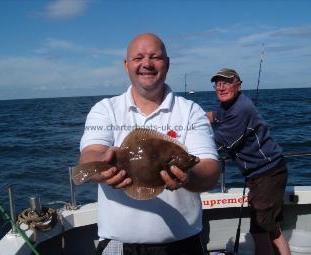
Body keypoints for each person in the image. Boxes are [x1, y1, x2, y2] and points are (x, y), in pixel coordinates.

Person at [78, 33, 221, 255]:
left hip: (183, 245)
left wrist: (189, 177)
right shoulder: (105, 109)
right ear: (126, 65)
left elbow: (210, 169)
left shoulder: (191, 111)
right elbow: (89, 155)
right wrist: (103, 167)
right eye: (138, 58)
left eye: (155, 57)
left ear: (168, 63)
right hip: (119, 245)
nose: (147, 64)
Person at [207, 68, 291, 255]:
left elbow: (219, 143)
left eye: (227, 83)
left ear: (238, 84)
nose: (221, 88)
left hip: (267, 175)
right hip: (266, 173)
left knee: (260, 231)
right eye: (218, 84)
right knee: (272, 229)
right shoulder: (228, 105)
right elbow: (215, 116)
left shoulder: (240, 110)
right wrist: (195, 118)